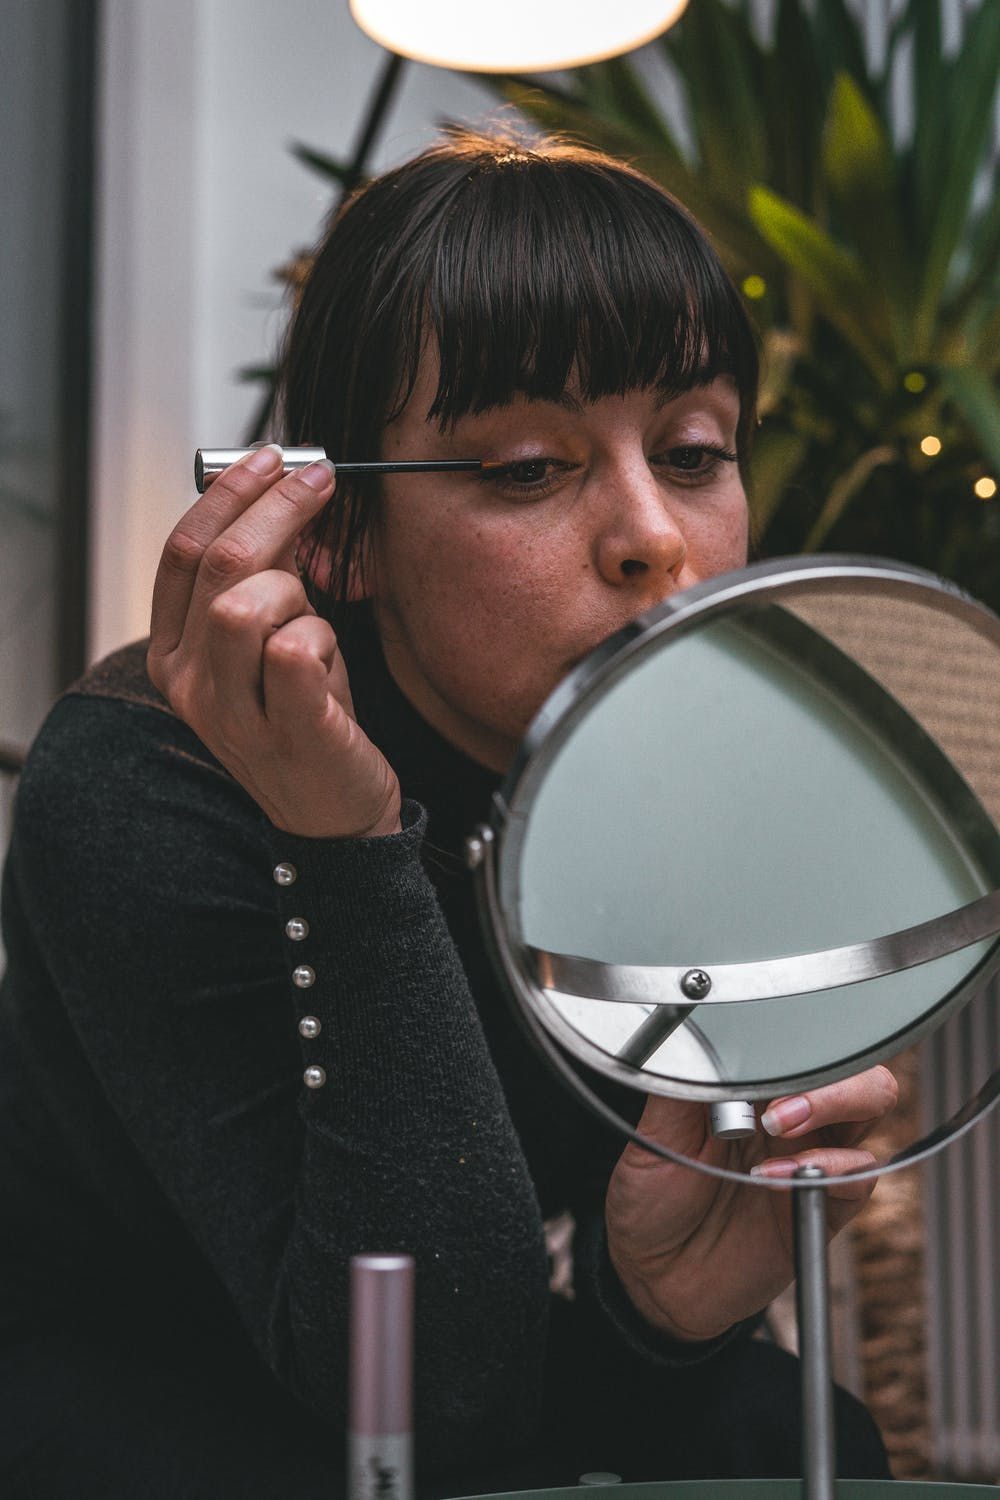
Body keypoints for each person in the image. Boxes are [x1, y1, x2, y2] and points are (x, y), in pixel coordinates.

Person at [0, 130, 895, 1498]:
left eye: (697, 450)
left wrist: (653, 1315)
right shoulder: (136, 782)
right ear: (338, 536)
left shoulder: (692, 785)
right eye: (531, 468)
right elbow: (414, 1394)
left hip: (461, 1353)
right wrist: (347, 844)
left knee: (783, 1430)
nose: (652, 534)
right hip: (132, 1381)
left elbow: (523, 1351)